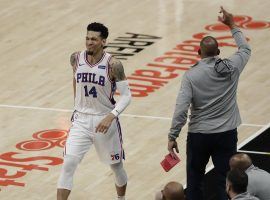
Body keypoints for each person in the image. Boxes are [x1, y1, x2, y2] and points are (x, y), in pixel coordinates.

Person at [167, 6, 251, 200]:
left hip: (199, 136)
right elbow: (245, 48)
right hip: (226, 134)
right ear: (219, 51)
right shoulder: (232, 67)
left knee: (194, 181)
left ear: (198, 52)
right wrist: (231, 24)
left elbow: (181, 108)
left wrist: (173, 135)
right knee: (225, 181)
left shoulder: (191, 75)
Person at [57, 22, 132, 200]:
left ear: (103, 42)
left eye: (94, 39)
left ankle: (121, 198)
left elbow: (127, 95)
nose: (89, 42)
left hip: (104, 121)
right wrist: (78, 105)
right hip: (81, 121)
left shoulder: (113, 64)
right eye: (87, 38)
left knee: (116, 166)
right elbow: (75, 79)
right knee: (68, 163)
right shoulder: (75, 58)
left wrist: (111, 116)